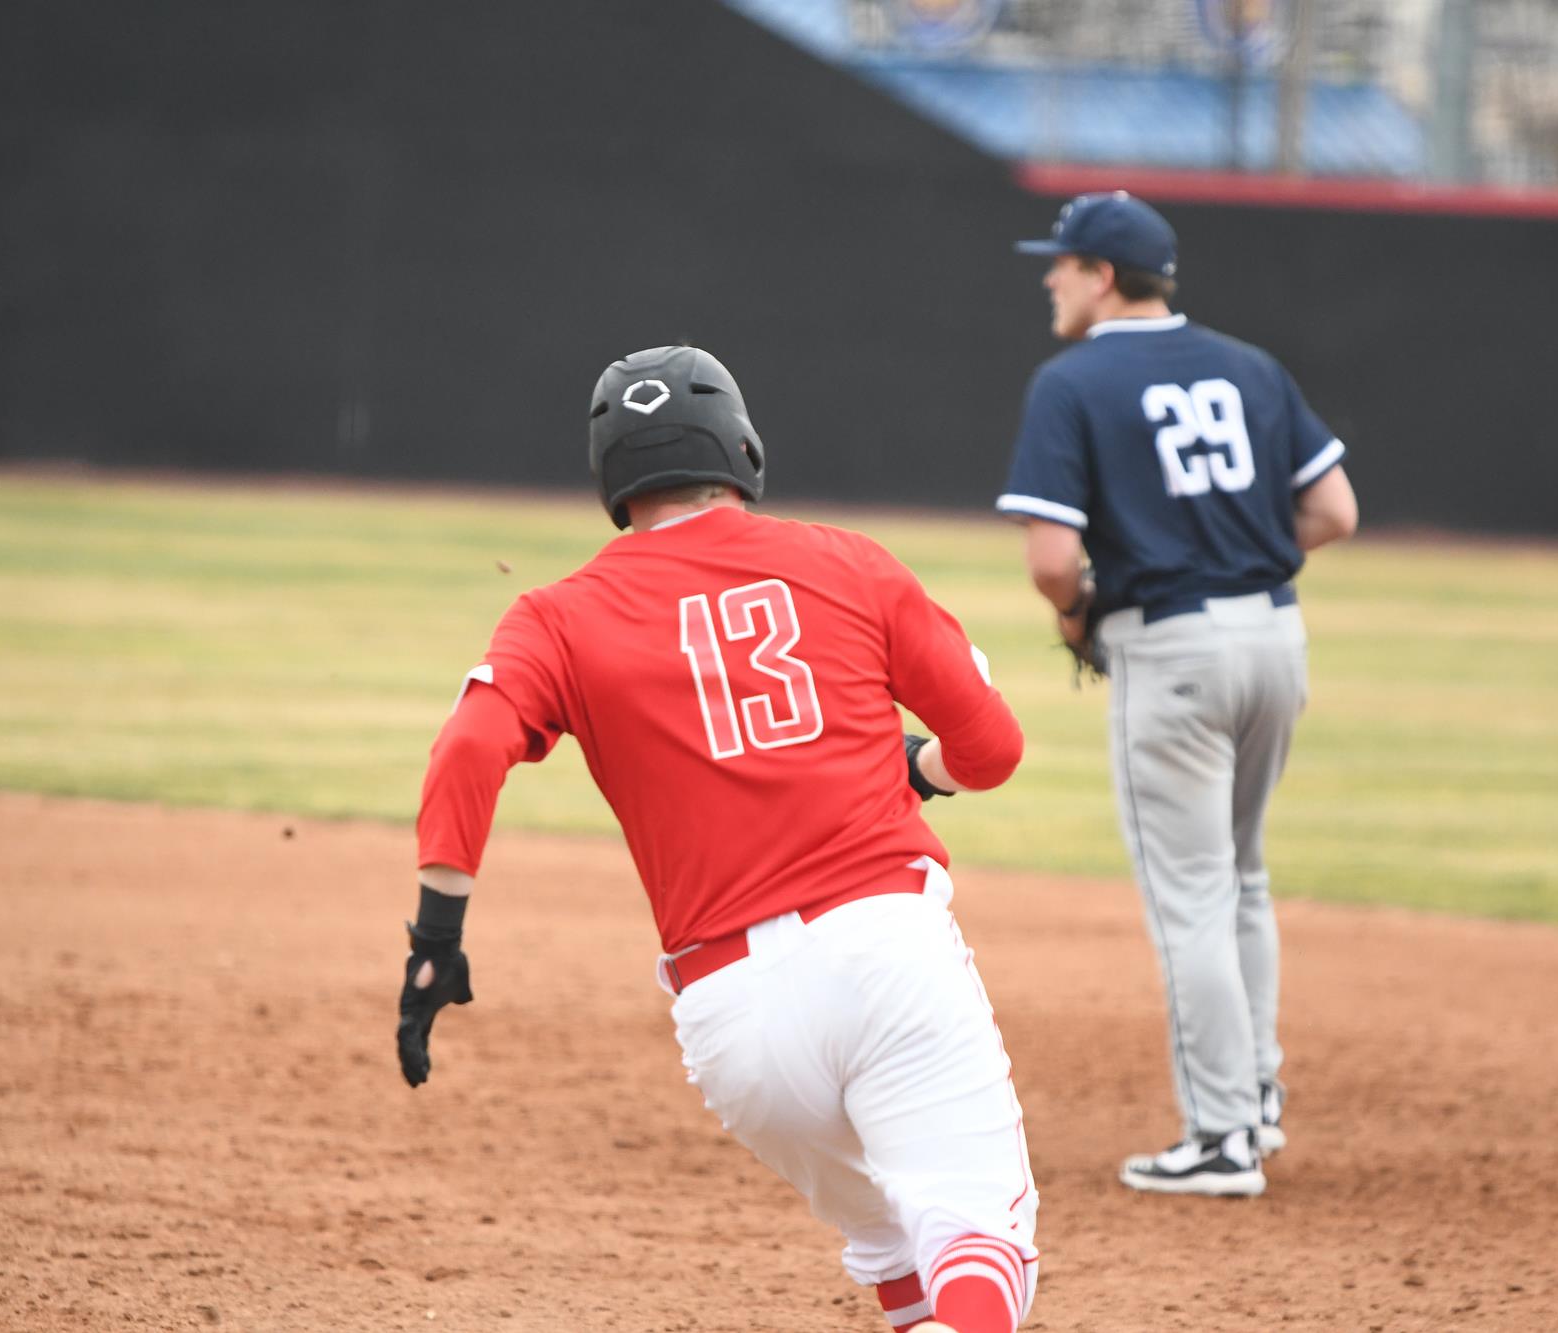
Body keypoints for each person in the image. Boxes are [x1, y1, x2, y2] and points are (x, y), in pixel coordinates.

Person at [396, 345, 1039, 1333]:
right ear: (740, 447)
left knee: (895, 1249)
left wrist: (437, 937)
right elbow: (991, 749)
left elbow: (469, 745)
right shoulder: (848, 562)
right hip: (885, 952)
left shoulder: (554, 616)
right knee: (981, 1243)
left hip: (729, 1018)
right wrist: (922, 768)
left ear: (610, 479)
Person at [996, 192, 1359, 1198]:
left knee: (1191, 896)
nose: (1050, 278)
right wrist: (1236, 563)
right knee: (1239, 878)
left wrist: (1077, 614)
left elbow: (1048, 558)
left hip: (1172, 648)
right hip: (1274, 636)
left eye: (1062, 264)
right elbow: (1332, 509)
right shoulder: (1250, 365)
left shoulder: (1070, 381)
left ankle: (1219, 1139)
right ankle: (1256, 1098)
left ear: (1102, 276)